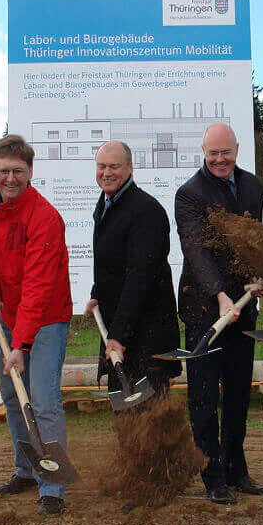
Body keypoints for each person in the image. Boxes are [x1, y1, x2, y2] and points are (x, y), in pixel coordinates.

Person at [0, 135, 73, 517]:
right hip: (9, 315)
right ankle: (27, 470)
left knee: (43, 401)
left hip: (46, 318)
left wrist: (20, 346)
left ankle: (53, 486)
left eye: (18, 171)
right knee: (13, 397)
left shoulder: (45, 217)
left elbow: (38, 286)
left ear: (31, 172)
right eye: (3, 171)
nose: (10, 179)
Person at [174, 122, 263, 505]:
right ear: (203, 152)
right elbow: (195, 250)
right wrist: (219, 296)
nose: (219, 159)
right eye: (212, 153)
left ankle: (235, 468)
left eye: (225, 152)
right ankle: (212, 475)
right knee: (203, 395)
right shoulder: (190, 194)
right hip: (204, 310)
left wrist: (260, 275)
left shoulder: (253, 187)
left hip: (243, 307)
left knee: (238, 392)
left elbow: (259, 240)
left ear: (237, 150)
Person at [85, 141, 180, 397]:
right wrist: (97, 294)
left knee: (151, 412)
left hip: (147, 336)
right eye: (101, 166)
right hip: (122, 331)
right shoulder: (107, 204)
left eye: (114, 166)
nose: (107, 173)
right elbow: (111, 262)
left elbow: (141, 277)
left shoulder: (145, 211)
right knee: (124, 409)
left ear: (130, 167)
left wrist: (118, 335)